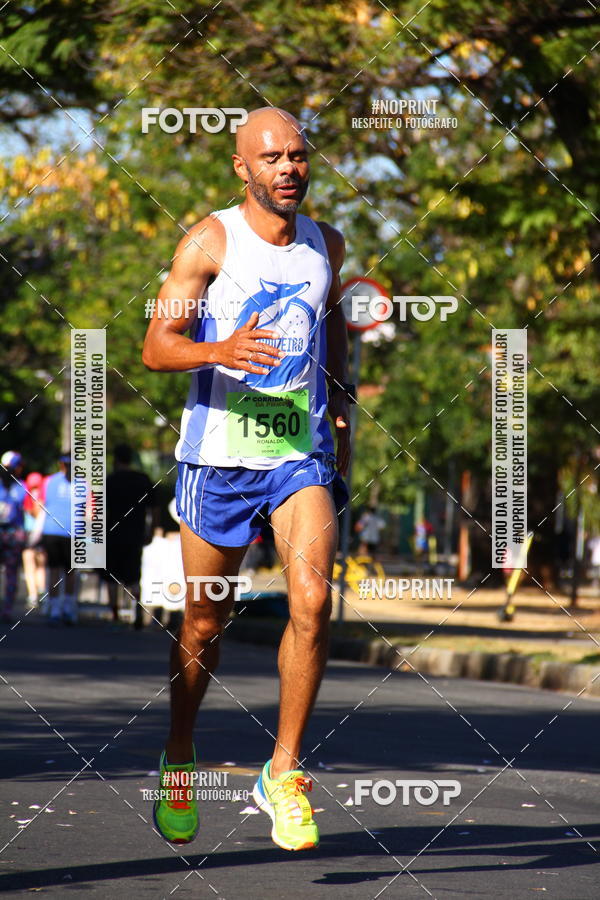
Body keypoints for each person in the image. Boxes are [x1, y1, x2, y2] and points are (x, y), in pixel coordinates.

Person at [142, 106, 352, 850]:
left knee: (313, 602)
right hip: (217, 458)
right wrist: (219, 348)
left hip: (298, 457)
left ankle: (284, 774)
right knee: (204, 624)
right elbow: (155, 345)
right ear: (243, 167)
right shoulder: (209, 239)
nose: (289, 168)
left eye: (298, 155)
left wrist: (342, 425)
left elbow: (332, 339)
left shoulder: (326, 244)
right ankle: (178, 755)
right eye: (272, 158)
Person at [100, 443, 157, 628]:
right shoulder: (143, 479)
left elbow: (100, 511)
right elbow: (155, 508)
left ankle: (115, 613)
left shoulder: (110, 480)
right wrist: (151, 531)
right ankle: (137, 608)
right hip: (135, 534)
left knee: (111, 577)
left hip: (112, 533)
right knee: (133, 576)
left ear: (116, 460)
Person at [39, 452, 77, 625]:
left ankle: (55, 609)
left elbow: (39, 505)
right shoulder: (84, 483)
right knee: (70, 572)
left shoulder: (48, 481)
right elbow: (91, 512)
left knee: (54, 570)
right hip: (72, 531)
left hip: (52, 530)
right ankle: (68, 609)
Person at [0, 451, 27, 624]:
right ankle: (7, 610)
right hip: (14, 533)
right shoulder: (22, 487)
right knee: (11, 574)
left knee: (10, 573)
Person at [22, 471, 47, 608]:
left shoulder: (27, 494)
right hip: (43, 533)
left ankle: (33, 596)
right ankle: (42, 592)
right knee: (41, 566)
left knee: (29, 566)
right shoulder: (44, 493)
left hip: (30, 532)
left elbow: (29, 511)